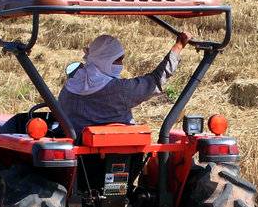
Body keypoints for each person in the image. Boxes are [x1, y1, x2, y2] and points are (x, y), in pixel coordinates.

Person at [57, 30, 189, 134]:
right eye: (118, 59)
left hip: (79, 157)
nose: (121, 64)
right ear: (105, 59)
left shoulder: (70, 87)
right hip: (121, 153)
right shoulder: (120, 89)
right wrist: (178, 47)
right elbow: (155, 81)